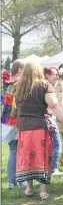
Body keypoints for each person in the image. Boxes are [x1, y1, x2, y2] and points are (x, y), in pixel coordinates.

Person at [14, 61, 63, 201]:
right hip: (40, 127)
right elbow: (54, 105)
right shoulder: (44, 86)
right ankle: (43, 192)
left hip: (24, 128)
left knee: (28, 159)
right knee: (42, 158)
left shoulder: (18, 87)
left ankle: (29, 188)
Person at [1, 59, 25, 189]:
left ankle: (12, 181)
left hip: (6, 119)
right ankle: (19, 181)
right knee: (18, 151)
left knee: (13, 151)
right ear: (20, 70)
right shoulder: (19, 83)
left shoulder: (9, 82)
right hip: (16, 120)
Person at [43, 66, 63, 176]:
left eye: (57, 74)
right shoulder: (47, 87)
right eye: (54, 74)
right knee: (56, 144)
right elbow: (52, 105)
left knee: (51, 144)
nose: (57, 76)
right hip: (49, 119)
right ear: (47, 75)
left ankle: (49, 167)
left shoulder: (43, 85)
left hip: (46, 119)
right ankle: (53, 168)